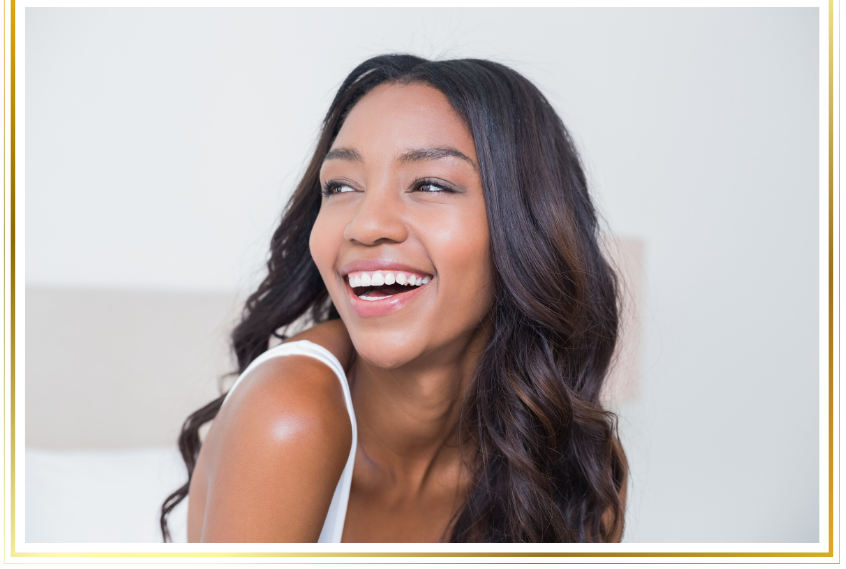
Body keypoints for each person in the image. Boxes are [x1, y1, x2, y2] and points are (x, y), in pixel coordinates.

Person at [161, 54, 628, 543]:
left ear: (528, 227)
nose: (365, 225)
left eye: (429, 184)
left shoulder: (574, 458)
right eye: (340, 186)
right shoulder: (288, 416)